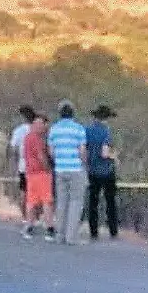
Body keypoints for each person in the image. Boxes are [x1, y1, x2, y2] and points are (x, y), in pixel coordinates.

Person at [47, 100, 88, 245]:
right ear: (73, 113)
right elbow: (82, 150)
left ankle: (60, 235)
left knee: (62, 202)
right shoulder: (78, 129)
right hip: (75, 168)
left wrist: (58, 160)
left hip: (60, 168)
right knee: (76, 202)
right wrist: (84, 164)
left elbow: (51, 152)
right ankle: (71, 237)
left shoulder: (54, 129)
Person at [85, 104, 119, 240]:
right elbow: (104, 153)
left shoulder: (87, 130)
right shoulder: (106, 131)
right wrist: (114, 156)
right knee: (110, 201)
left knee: (93, 201)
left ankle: (93, 230)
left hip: (92, 170)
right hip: (106, 170)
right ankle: (113, 230)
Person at [22, 114, 56, 241]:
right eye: (41, 124)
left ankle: (29, 226)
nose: (43, 127)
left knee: (31, 201)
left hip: (30, 173)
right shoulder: (37, 138)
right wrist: (48, 168)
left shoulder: (27, 138)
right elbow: (41, 156)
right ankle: (49, 228)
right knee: (47, 201)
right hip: (41, 173)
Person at [9, 105, 36, 223]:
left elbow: (13, 148)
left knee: (23, 190)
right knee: (35, 192)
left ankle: (25, 216)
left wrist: (14, 162)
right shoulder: (37, 129)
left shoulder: (19, 130)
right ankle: (34, 216)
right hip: (36, 165)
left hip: (23, 164)